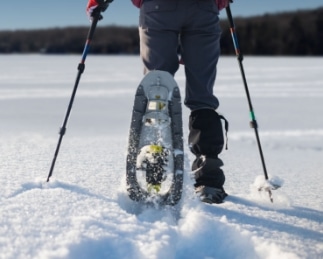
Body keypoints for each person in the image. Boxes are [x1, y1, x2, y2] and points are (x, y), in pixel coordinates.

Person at [86, 0, 230, 204]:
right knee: (202, 97)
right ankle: (208, 179)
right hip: (203, 8)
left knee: (158, 88)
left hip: (158, 8)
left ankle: (156, 166)